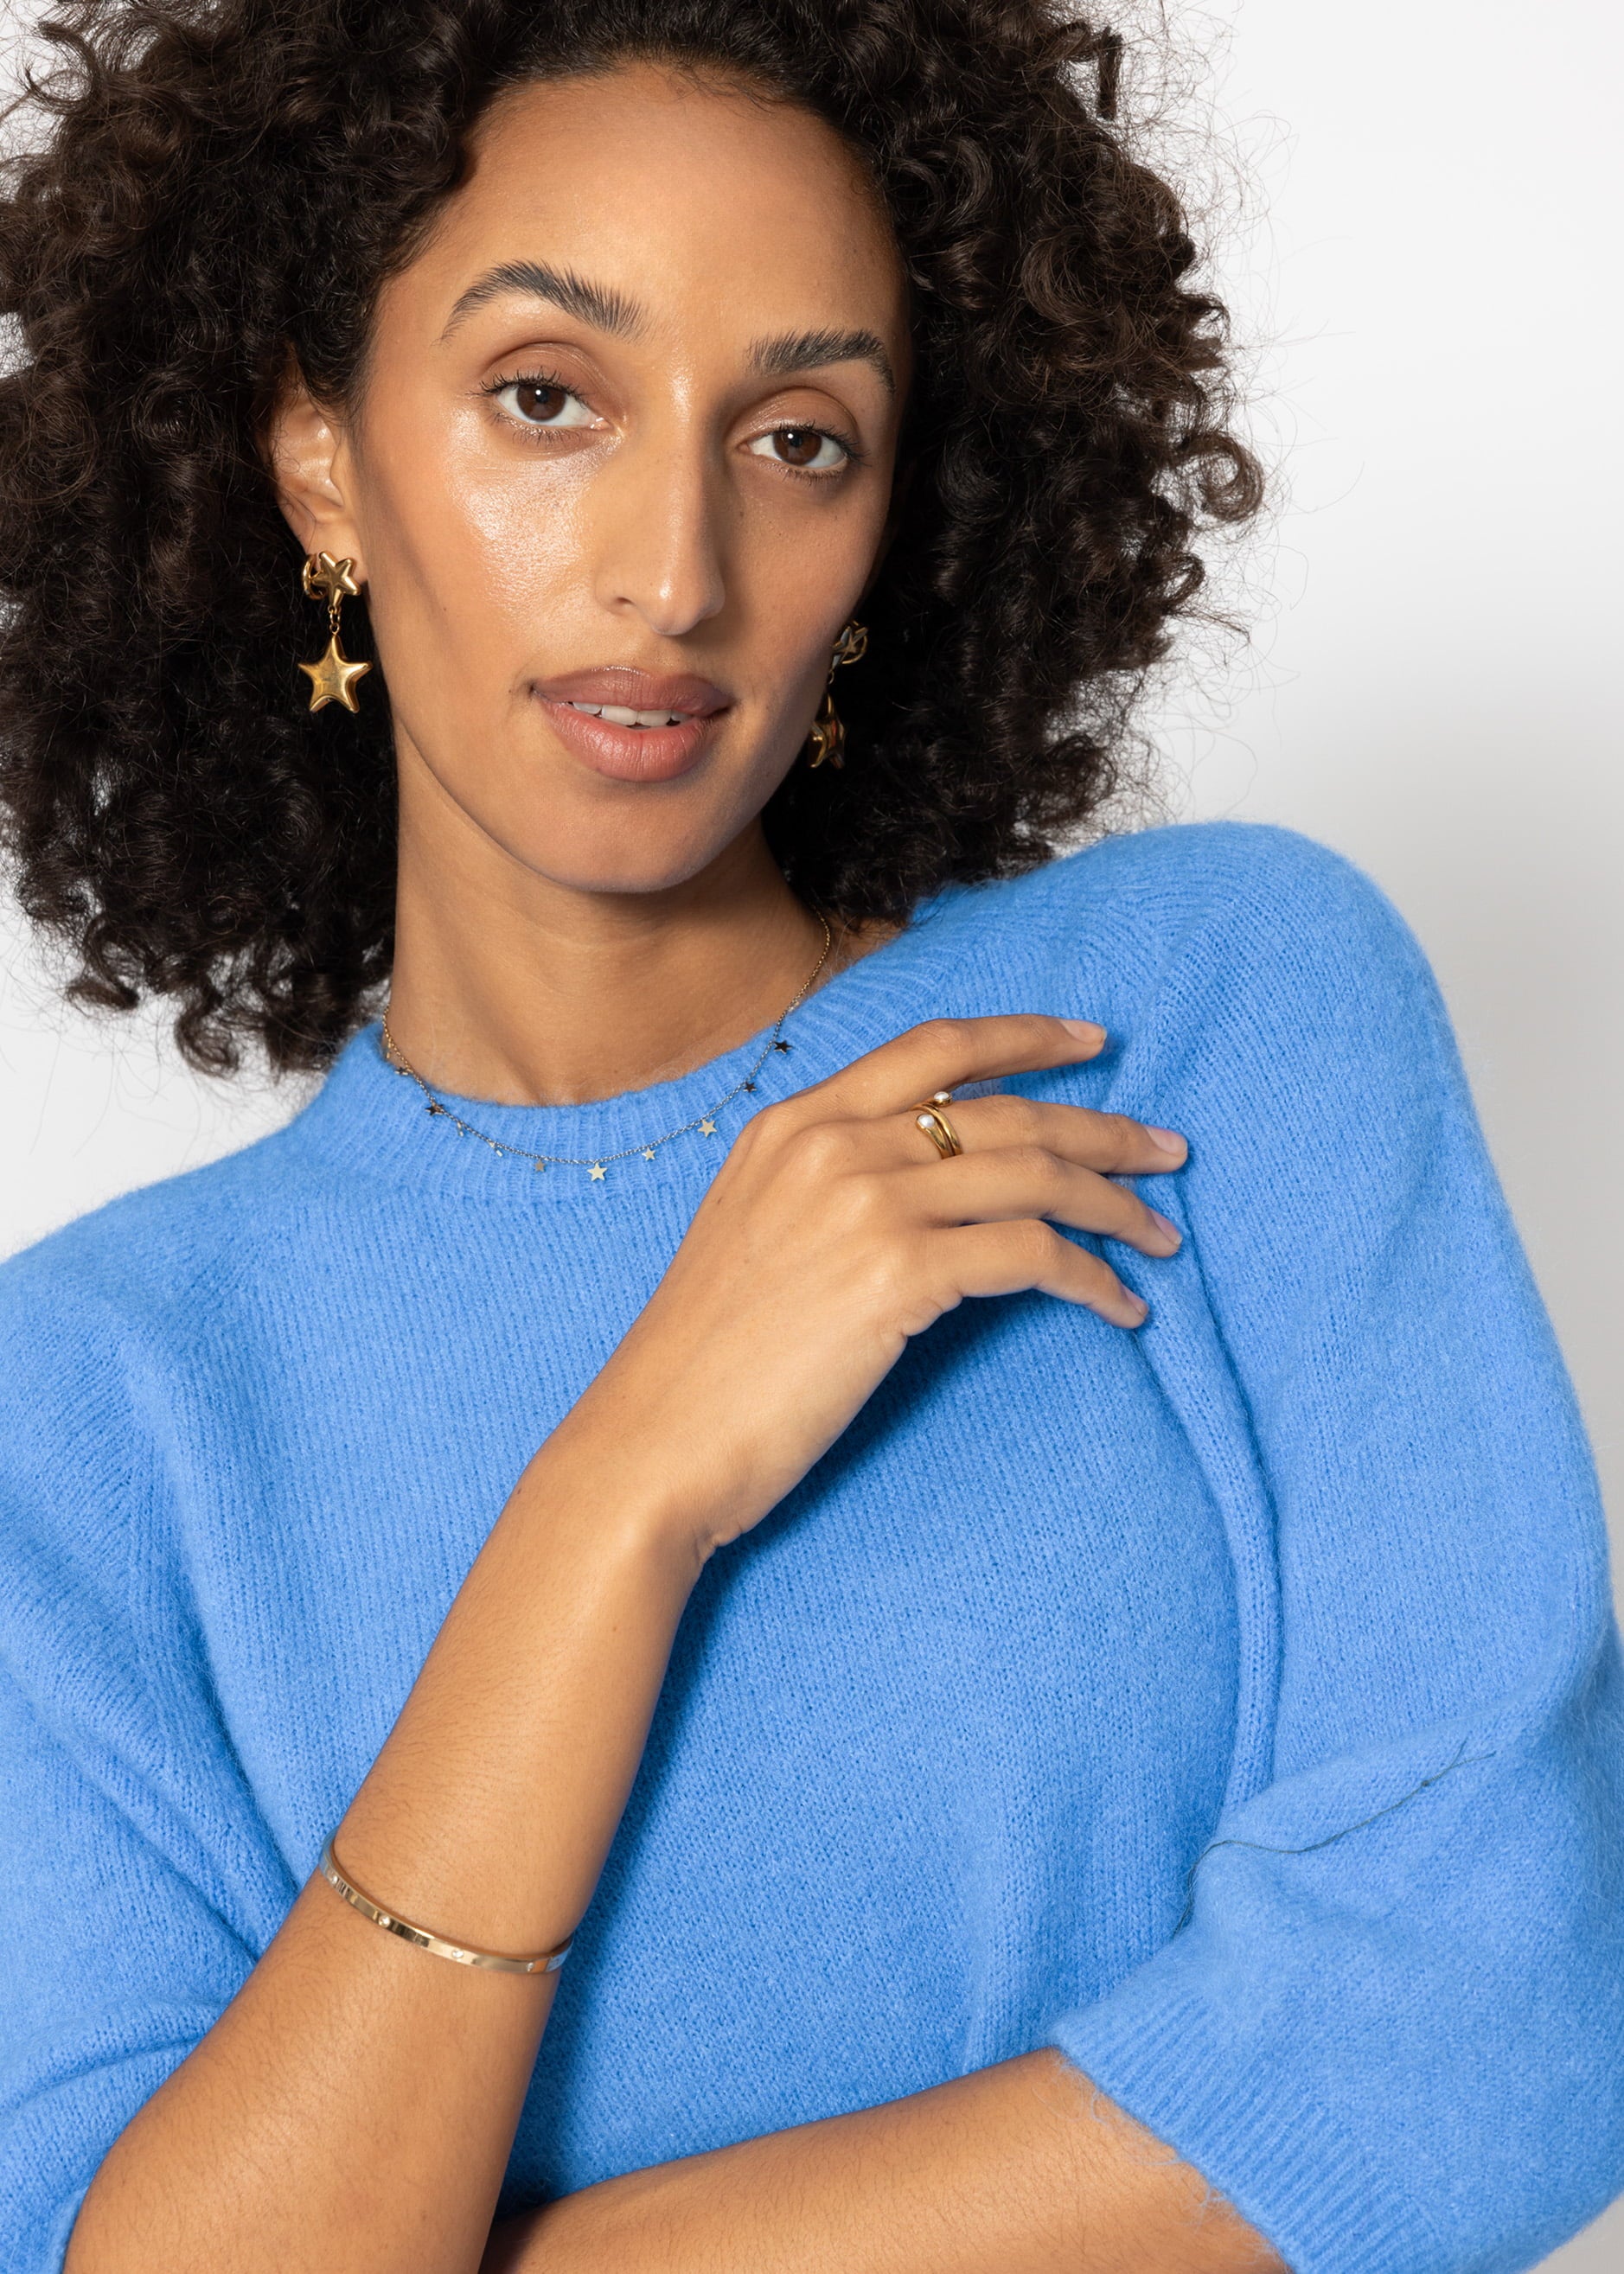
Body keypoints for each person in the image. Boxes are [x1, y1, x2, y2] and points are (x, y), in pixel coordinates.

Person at [0, 3, 1619, 2270]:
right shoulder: (82, 1412)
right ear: (321, 457)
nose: (676, 568)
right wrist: (623, 1487)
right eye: (546, 397)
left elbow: (1494, 2033)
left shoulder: (1197, 1023)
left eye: (796, 437)